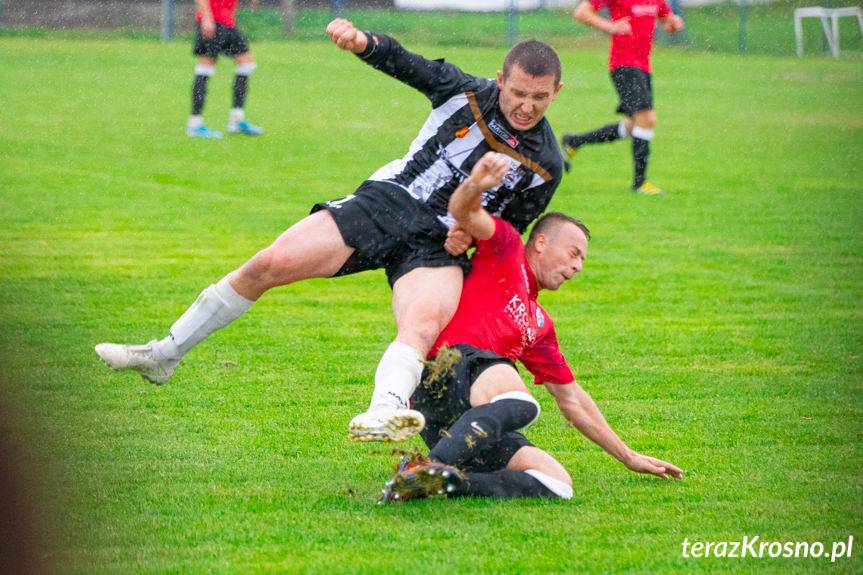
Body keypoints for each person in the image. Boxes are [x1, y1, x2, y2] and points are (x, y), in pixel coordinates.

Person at [96, 20, 566, 443]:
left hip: (436, 245)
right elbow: (408, 64)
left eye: (539, 97)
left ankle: (387, 410)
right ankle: (166, 353)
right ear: (501, 80)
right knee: (269, 264)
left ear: (556, 92)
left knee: (422, 325)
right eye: (518, 93)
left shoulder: (546, 164)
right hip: (389, 202)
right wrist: (364, 43)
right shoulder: (463, 91)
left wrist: (470, 232)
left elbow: (507, 230)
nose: (526, 106)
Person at [380, 152, 683, 502]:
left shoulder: (539, 324)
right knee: (522, 402)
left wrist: (628, 456)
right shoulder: (506, 250)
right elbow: (465, 212)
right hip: (446, 368)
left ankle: (436, 481)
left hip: (463, 422)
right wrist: (477, 184)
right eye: (574, 253)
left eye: (582, 259)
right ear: (541, 242)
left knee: (556, 483)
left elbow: (572, 400)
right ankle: (426, 466)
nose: (579, 266)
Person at [560, 0, 684, 195]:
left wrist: (674, 24)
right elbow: (582, 12)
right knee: (647, 119)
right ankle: (640, 183)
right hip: (624, 65)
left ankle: (574, 141)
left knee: (632, 126)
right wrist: (611, 26)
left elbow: (666, 22)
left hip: (643, 67)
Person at [187, 0, 263, 138]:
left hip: (227, 23)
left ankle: (236, 120)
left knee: (246, 64)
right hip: (212, 21)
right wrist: (207, 18)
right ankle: (194, 124)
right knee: (204, 69)